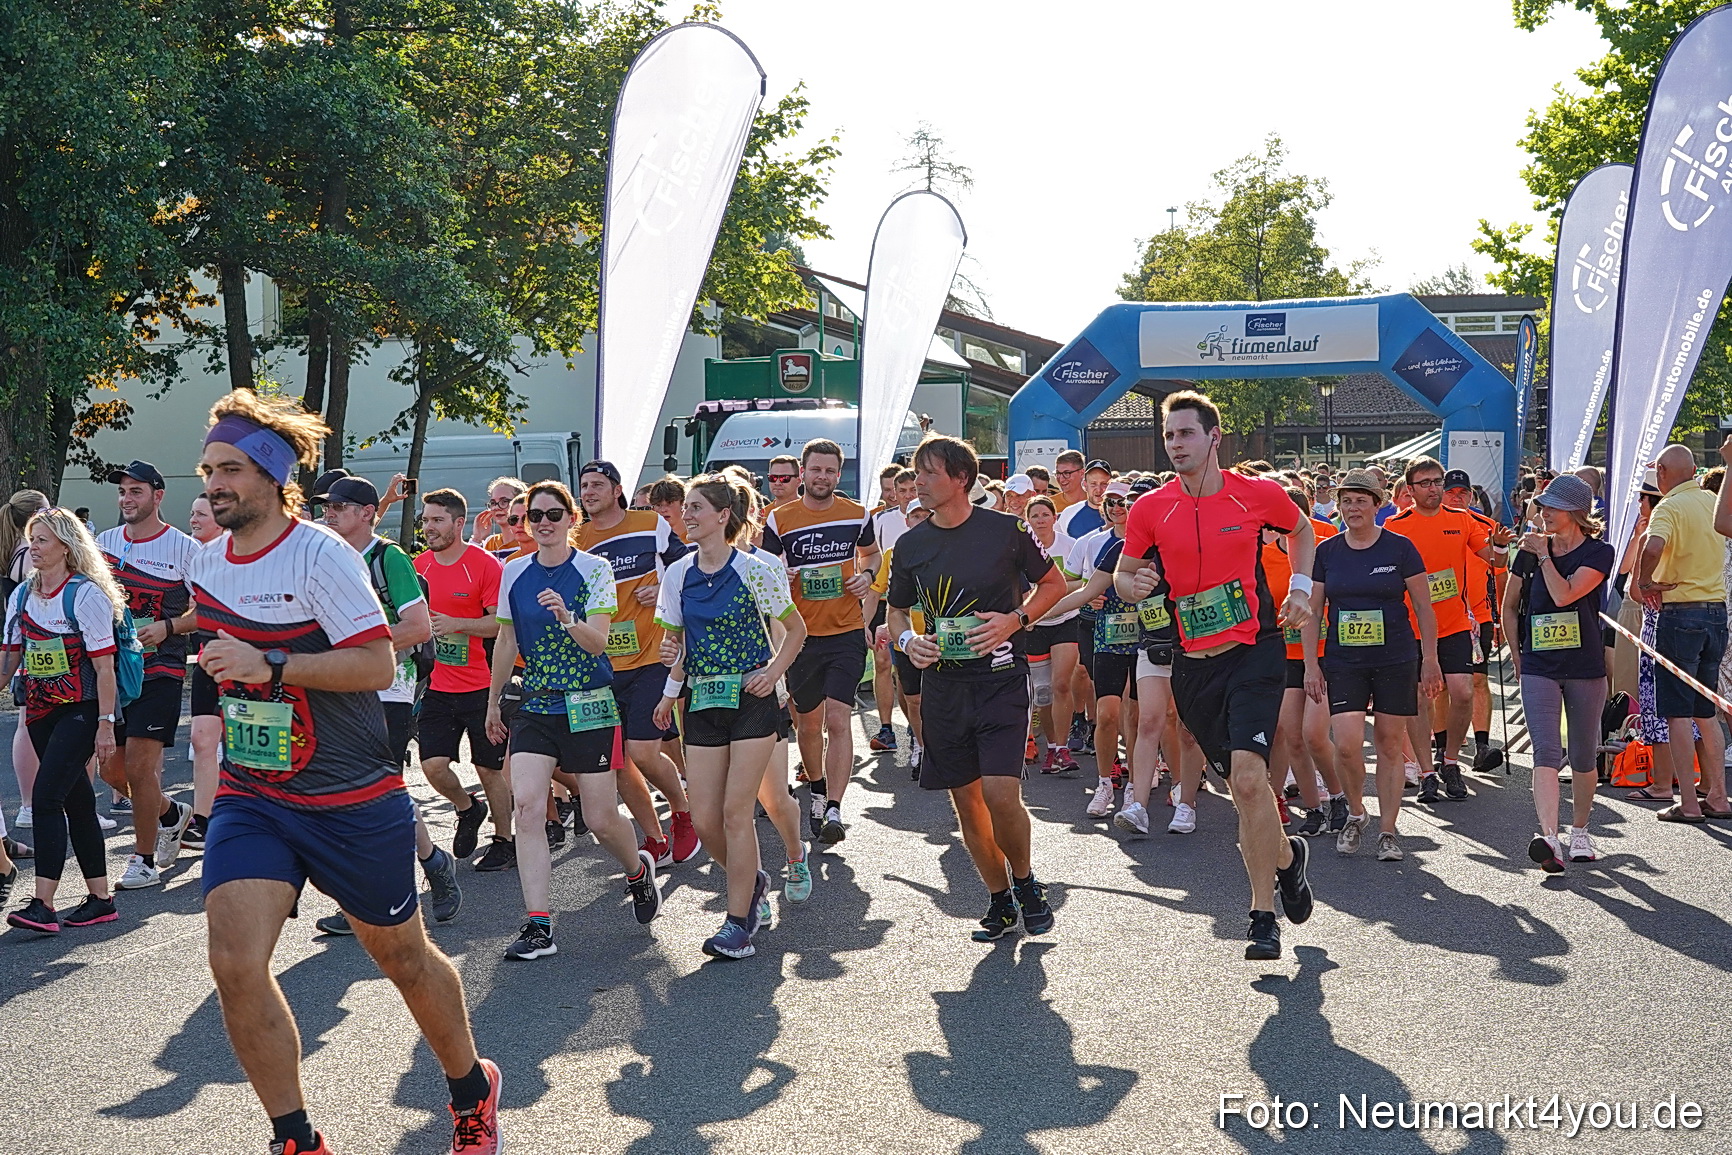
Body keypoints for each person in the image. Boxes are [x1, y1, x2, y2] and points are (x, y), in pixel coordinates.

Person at [189, 389, 500, 1154]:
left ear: (271, 475)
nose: (214, 484)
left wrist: (270, 663)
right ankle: (296, 1137)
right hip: (256, 791)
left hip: (350, 794)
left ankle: (471, 1088)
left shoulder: (319, 553)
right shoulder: (207, 561)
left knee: (400, 957)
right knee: (233, 960)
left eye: (230, 469)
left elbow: (376, 661)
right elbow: (219, 663)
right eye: (207, 470)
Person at [1116, 390, 1316, 961]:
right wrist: (1138, 586)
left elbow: (1302, 532)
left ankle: (1261, 916)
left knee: (1252, 781)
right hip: (1191, 666)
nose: (1176, 444)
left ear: (1213, 437)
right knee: (1238, 788)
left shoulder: (1256, 494)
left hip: (1253, 652)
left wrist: (1299, 588)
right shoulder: (1151, 508)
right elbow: (1126, 575)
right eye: (1169, 435)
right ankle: (1287, 859)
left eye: (1186, 434)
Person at [888, 434, 1066, 941]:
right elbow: (895, 610)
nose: (918, 482)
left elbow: (1053, 586)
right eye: (915, 473)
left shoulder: (1007, 530)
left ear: (961, 479)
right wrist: (907, 641)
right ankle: (1000, 900)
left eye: (929, 473)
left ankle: (1028, 883)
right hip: (943, 687)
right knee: (966, 802)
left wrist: (1016, 620)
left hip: (1000, 682)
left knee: (1000, 793)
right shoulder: (911, 543)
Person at [486, 480, 662, 961]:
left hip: (589, 703)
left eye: (553, 514)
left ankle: (636, 869)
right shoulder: (513, 572)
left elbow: (598, 644)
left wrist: (566, 615)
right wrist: (493, 701)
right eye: (534, 516)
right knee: (526, 807)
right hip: (537, 704)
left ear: (571, 519)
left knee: (600, 817)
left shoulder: (594, 569)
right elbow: (505, 642)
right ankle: (539, 925)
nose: (543, 522)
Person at [654, 473, 810, 958]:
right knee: (704, 820)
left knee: (736, 812)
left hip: (751, 699)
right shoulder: (678, 573)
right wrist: (667, 684)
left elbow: (795, 630)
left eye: (697, 507)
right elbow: (678, 645)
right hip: (701, 701)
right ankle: (754, 879)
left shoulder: (755, 569)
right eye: (687, 508)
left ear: (723, 517)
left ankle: (738, 922)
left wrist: (773, 673)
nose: (687, 515)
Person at [315, 476, 462, 934]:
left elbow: (419, 627)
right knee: (354, 794)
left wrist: (359, 651)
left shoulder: (388, 557)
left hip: (387, 688)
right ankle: (432, 860)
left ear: (365, 512)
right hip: (336, 691)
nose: (328, 513)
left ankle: (371, 898)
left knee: (374, 792)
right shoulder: (321, 559)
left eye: (338, 505)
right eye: (326, 506)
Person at [1303, 471, 1440, 861]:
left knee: (1389, 745)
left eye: (1362, 501)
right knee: (1346, 746)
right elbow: (1314, 612)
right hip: (1344, 660)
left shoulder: (1400, 548)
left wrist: (1429, 658)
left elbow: (1423, 609)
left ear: (1377, 505)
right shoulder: (1327, 553)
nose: (1353, 508)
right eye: (1347, 501)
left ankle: (1388, 830)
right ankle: (1357, 813)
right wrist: (1312, 665)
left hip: (1395, 657)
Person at [2, 507, 125, 932]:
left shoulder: (86, 595)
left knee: (46, 797)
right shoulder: (20, 596)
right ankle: (100, 898)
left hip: (81, 709)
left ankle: (43, 903)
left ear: (67, 547)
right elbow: (11, 657)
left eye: (43, 540)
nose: (33, 547)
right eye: (31, 539)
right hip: (39, 711)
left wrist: (106, 724)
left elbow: (105, 669)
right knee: (77, 802)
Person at [572, 460, 699, 867]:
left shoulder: (649, 522)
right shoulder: (578, 539)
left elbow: (688, 567)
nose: (589, 491)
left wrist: (661, 586)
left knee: (643, 752)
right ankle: (654, 837)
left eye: (597, 484)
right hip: (605, 667)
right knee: (620, 763)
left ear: (616, 488)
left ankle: (684, 815)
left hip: (651, 656)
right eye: (584, 486)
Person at [761, 439, 878, 845]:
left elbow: (872, 556)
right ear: (803, 474)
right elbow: (766, 573)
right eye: (816, 470)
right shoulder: (779, 519)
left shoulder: (857, 514)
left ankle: (834, 805)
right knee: (808, 726)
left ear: (838, 474)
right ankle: (816, 786)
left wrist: (866, 576)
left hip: (846, 631)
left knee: (837, 720)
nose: (823, 477)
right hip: (801, 637)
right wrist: (783, 578)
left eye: (830, 470)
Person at [97, 461, 201, 890]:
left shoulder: (183, 548)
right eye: (123, 492)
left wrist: (169, 627)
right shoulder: (103, 542)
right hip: (115, 673)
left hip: (161, 668)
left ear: (158, 496)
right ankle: (172, 814)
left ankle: (143, 861)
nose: (126, 499)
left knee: (141, 768)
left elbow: (210, 608)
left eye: (136, 491)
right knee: (109, 770)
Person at [1383, 456, 1508, 804]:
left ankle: (1450, 761)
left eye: (1437, 481)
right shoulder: (1396, 525)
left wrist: (1499, 544)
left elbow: (1495, 561)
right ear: (1410, 490)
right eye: (1425, 483)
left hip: (1453, 623)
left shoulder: (1462, 520)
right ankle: (1426, 772)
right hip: (1411, 627)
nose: (1434, 488)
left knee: (1463, 692)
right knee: (1421, 698)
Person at [1504, 475, 1614, 868]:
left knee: (1584, 755)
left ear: (1575, 512)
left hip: (1585, 667)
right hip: (1539, 666)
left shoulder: (1599, 553)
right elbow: (1509, 605)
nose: (1543, 512)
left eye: (1552, 506)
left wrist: (1545, 556)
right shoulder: (1530, 550)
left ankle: (1580, 831)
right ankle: (1549, 838)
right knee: (1546, 751)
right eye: (1542, 505)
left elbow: (1566, 593)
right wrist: (1517, 655)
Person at [413, 488, 514, 872]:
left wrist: (459, 624)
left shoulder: (484, 565)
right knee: (433, 767)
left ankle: (505, 841)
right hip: (437, 687)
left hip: (482, 686)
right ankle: (468, 808)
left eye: (437, 520)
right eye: (425, 520)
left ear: (458, 523)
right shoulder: (418, 566)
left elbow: (500, 625)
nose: (429, 527)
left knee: (489, 769)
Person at [1637, 443, 1729, 823]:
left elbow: (1654, 545)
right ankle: (1719, 796)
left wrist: (1645, 581)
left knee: (1677, 713)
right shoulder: (1711, 501)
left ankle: (1689, 802)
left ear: (1661, 473)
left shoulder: (1669, 507)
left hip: (1681, 612)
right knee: (1706, 710)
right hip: (1716, 612)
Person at [1049, 482, 1141, 818]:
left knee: (1135, 716)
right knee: (1107, 715)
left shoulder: (1158, 543)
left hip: (1147, 640)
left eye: (1126, 502)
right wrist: (1032, 615)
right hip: (1108, 637)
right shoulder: (1102, 545)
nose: (1119, 508)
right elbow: (1084, 589)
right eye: (1113, 502)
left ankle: (1134, 785)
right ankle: (1105, 783)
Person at [1442, 469, 1511, 773]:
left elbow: (1501, 573)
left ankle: (1482, 745)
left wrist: (1501, 621)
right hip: (1439, 619)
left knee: (1479, 681)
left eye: (1463, 493)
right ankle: (1442, 746)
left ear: (1471, 496)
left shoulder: (1486, 527)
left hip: (1479, 617)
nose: (1457, 499)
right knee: (1441, 686)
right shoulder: (1430, 523)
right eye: (1451, 493)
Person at [865, 499, 935, 779]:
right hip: (906, 636)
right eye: (913, 516)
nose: (918, 520)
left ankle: (940, 748)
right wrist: (866, 625)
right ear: (906, 521)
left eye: (923, 515)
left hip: (940, 636)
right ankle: (921, 746)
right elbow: (874, 593)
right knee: (913, 698)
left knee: (939, 699)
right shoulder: (895, 552)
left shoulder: (946, 547)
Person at [1021, 495, 1080, 775]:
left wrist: (1056, 592)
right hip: (1034, 625)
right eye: (1035, 516)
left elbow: (1082, 580)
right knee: (1042, 692)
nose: (1041, 520)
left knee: (1061, 684)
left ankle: (1063, 748)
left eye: (1045, 514)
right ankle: (1052, 747)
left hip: (1066, 620)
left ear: (1055, 518)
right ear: (1028, 521)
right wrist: (1029, 612)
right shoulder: (1022, 548)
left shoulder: (1069, 545)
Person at [2, 489, 48, 834]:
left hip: (20, 645)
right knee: (30, 724)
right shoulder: (29, 557)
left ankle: (31, 805)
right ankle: (32, 805)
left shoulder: (11, 552)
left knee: (26, 723)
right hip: (34, 647)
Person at [182, 493, 225, 852]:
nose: (193, 520)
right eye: (191, 514)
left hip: (246, 661)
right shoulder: (193, 558)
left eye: (201, 514)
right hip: (207, 658)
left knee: (246, 747)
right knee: (202, 738)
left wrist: (169, 625)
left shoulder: (237, 553)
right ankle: (203, 820)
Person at [866, 468, 919, 752]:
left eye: (913, 490)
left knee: (907, 667)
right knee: (884, 664)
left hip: (916, 604)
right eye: (902, 491)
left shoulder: (928, 516)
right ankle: (886, 728)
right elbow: (868, 557)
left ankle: (915, 724)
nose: (908, 496)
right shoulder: (881, 520)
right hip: (885, 599)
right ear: (893, 494)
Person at [1057, 459, 1111, 539]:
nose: (1099, 490)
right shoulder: (1069, 513)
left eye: (1104, 484)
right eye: (1093, 484)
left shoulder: (1118, 514)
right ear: (1085, 485)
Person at [472, 476, 526, 550]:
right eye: (493, 502)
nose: (496, 507)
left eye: (504, 501)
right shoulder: (489, 543)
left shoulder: (527, 542)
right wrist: (477, 539)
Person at [648, 477, 688, 543]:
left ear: (683, 504)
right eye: (658, 505)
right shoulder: (652, 541)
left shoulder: (698, 538)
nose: (663, 510)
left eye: (669, 503)